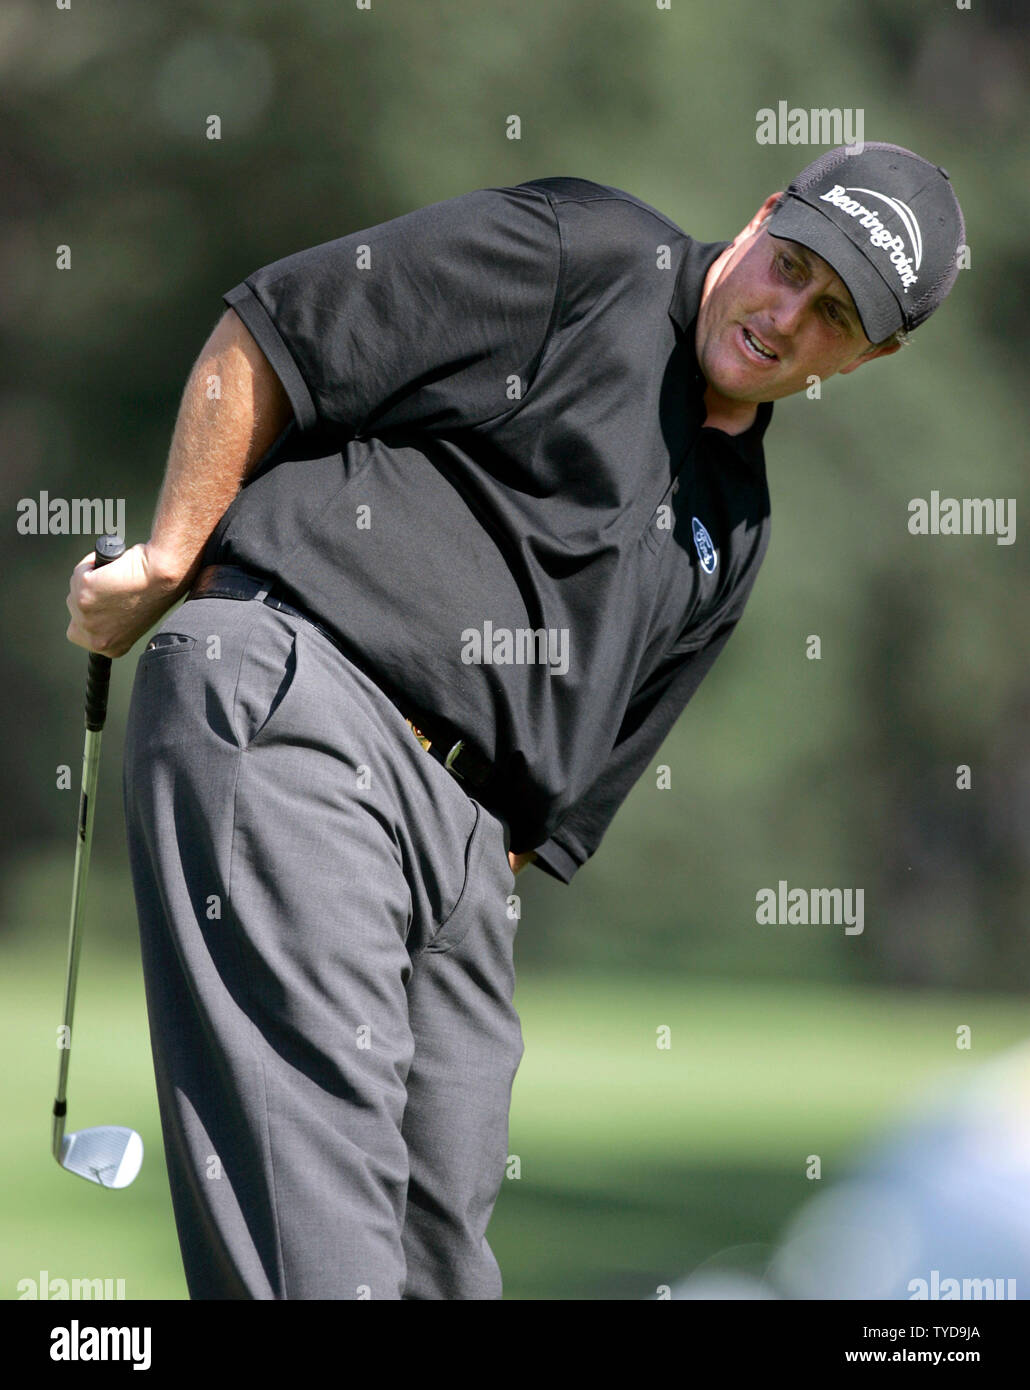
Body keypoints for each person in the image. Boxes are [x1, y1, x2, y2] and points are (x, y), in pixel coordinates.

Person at [65, 142, 965, 1299]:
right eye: (790, 265)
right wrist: (171, 555)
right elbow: (276, 329)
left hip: (461, 849)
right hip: (298, 699)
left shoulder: (735, 526)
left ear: (875, 352)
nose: (786, 316)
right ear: (759, 217)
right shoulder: (582, 252)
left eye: (834, 313)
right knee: (319, 1246)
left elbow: (571, 793)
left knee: (444, 1264)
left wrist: (461, 871)